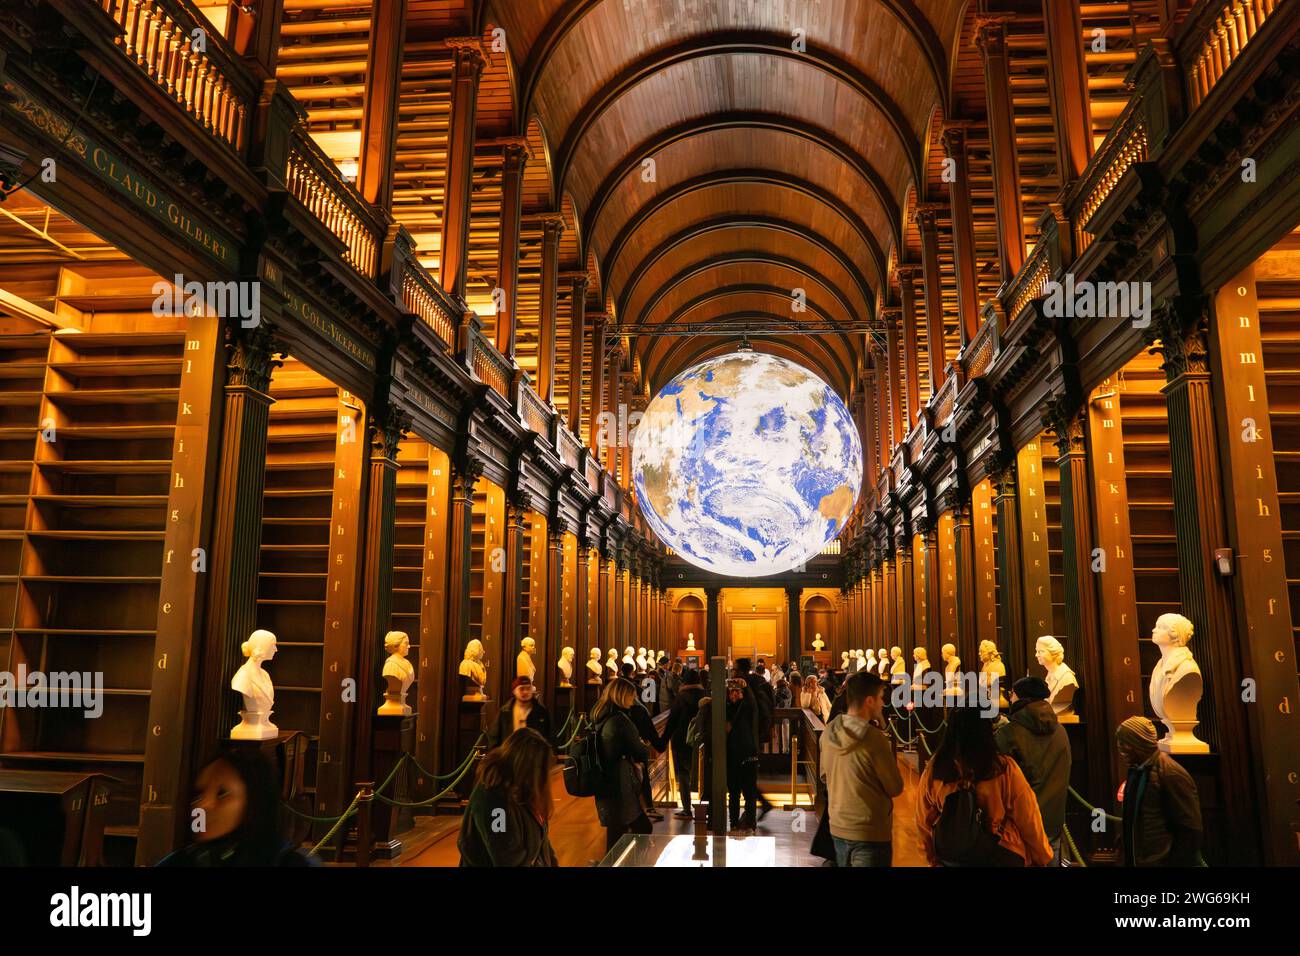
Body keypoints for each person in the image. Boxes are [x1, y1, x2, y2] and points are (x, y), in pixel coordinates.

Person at [916, 704, 1054, 866]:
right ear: (986, 730)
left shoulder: (936, 769)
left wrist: (932, 858)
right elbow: (1028, 817)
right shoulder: (1003, 768)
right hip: (1000, 852)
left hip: (953, 857)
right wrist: (1043, 856)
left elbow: (923, 821)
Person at [158, 748, 314, 866]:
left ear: (254, 803)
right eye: (199, 794)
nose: (203, 805)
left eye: (222, 793)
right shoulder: (182, 860)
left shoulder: (285, 862)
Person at [819, 672, 903, 867]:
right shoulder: (874, 739)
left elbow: (824, 775)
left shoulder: (829, 731)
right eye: (881, 698)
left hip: (838, 825)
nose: (883, 704)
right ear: (869, 701)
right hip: (870, 829)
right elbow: (895, 787)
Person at [995, 676, 1070, 865]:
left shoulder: (1008, 734)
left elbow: (999, 780)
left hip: (1020, 824)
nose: (1009, 698)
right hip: (1053, 819)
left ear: (1020, 698)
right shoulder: (1060, 731)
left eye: (1011, 694)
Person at [457, 728, 557, 867]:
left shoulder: (525, 788)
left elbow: (543, 844)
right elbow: (508, 857)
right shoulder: (493, 801)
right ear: (524, 766)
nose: (543, 778)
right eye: (540, 769)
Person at [1115, 716, 1203, 866]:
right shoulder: (1137, 771)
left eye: (1124, 743)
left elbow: (1189, 829)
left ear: (1138, 743)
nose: (1120, 748)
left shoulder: (1171, 774)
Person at [592, 678, 653, 851]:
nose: (633, 700)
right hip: (620, 781)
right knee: (635, 829)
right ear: (622, 696)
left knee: (616, 831)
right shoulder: (620, 721)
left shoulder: (600, 714)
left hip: (605, 779)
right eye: (631, 696)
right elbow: (640, 750)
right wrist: (642, 745)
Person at [661, 667, 707, 818]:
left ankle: (687, 809)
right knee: (704, 774)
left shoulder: (681, 697)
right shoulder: (706, 695)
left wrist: (662, 742)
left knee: (683, 774)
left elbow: (672, 721)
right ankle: (706, 809)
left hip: (682, 741)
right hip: (703, 740)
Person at [724, 677, 765, 830]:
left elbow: (752, 703)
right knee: (734, 794)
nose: (734, 695)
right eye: (731, 692)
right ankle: (733, 823)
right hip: (732, 757)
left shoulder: (747, 708)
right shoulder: (726, 709)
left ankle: (750, 824)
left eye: (737, 692)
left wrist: (746, 688)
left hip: (749, 756)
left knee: (750, 794)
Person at [487, 676, 553, 750]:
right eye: (521, 689)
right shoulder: (505, 712)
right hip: (510, 755)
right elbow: (494, 738)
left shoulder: (541, 712)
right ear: (514, 691)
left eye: (528, 688)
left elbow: (550, 737)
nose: (525, 692)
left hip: (534, 755)